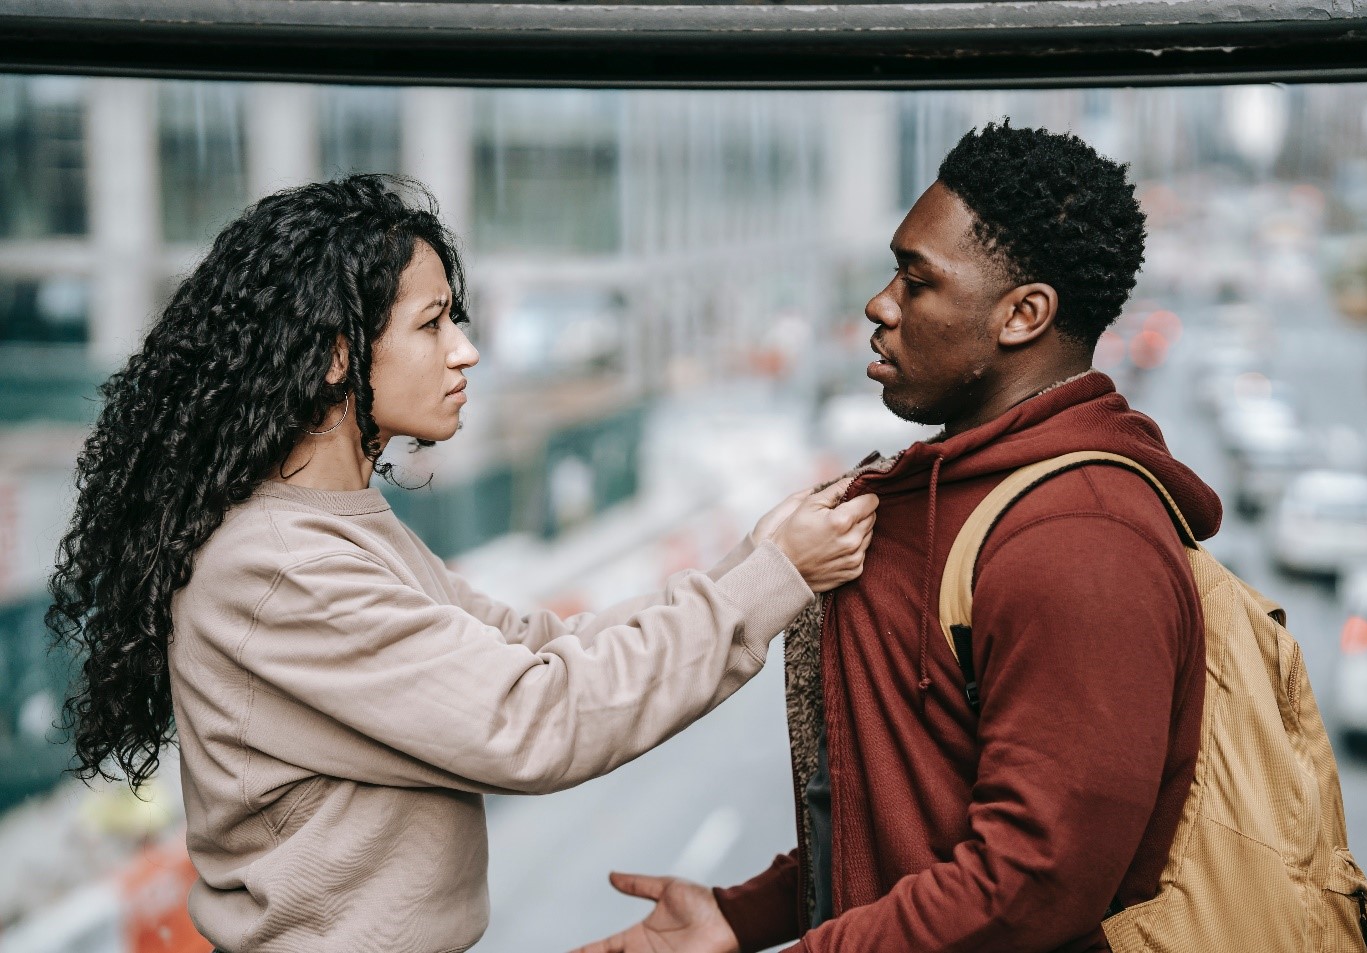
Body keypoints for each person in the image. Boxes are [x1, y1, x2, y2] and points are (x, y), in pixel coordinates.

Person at [46, 174, 879, 953]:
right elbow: (536, 715)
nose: (465, 350)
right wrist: (774, 582)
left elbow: (534, 640)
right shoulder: (276, 568)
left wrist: (754, 559)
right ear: (336, 357)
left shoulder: (338, 528)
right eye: (433, 322)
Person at [574, 120, 1222, 953]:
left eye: (917, 281)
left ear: (1022, 314)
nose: (880, 303)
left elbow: (1031, 882)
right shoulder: (949, 487)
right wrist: (744, 915)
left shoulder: (1085, 542)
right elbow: (911, 814)